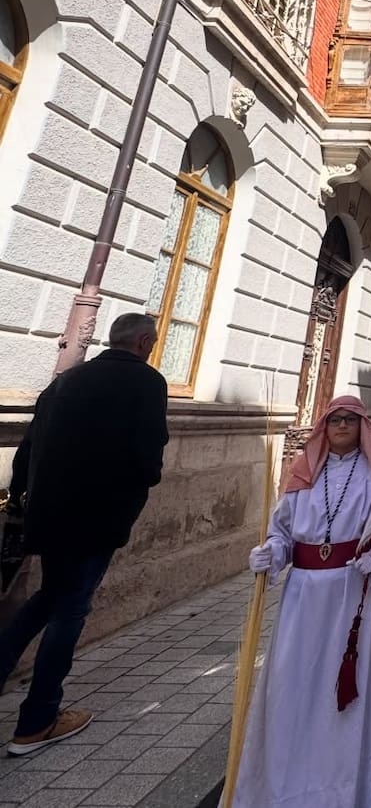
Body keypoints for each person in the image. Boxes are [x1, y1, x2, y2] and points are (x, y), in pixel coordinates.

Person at [228, 396, 371, 808]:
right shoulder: (303, 475)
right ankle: (283, 784)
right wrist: (271, 553)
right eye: (334, 420)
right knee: (289, 687)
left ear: (362, 427)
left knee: (340, 693)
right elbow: (282, 532)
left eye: (350, 419)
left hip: (349, 594)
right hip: (302, 597)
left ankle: (341, 789)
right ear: (323, 428)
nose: (342, 426)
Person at [0, 313, 168, 756]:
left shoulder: (66, 381)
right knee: (70, 609)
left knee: (46, 600)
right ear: (144, 341)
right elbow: (148, 459)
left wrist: (23, 498)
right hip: (97, 518)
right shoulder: (146, 383)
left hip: (48, 515)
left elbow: (28, 447)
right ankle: (37, 721)